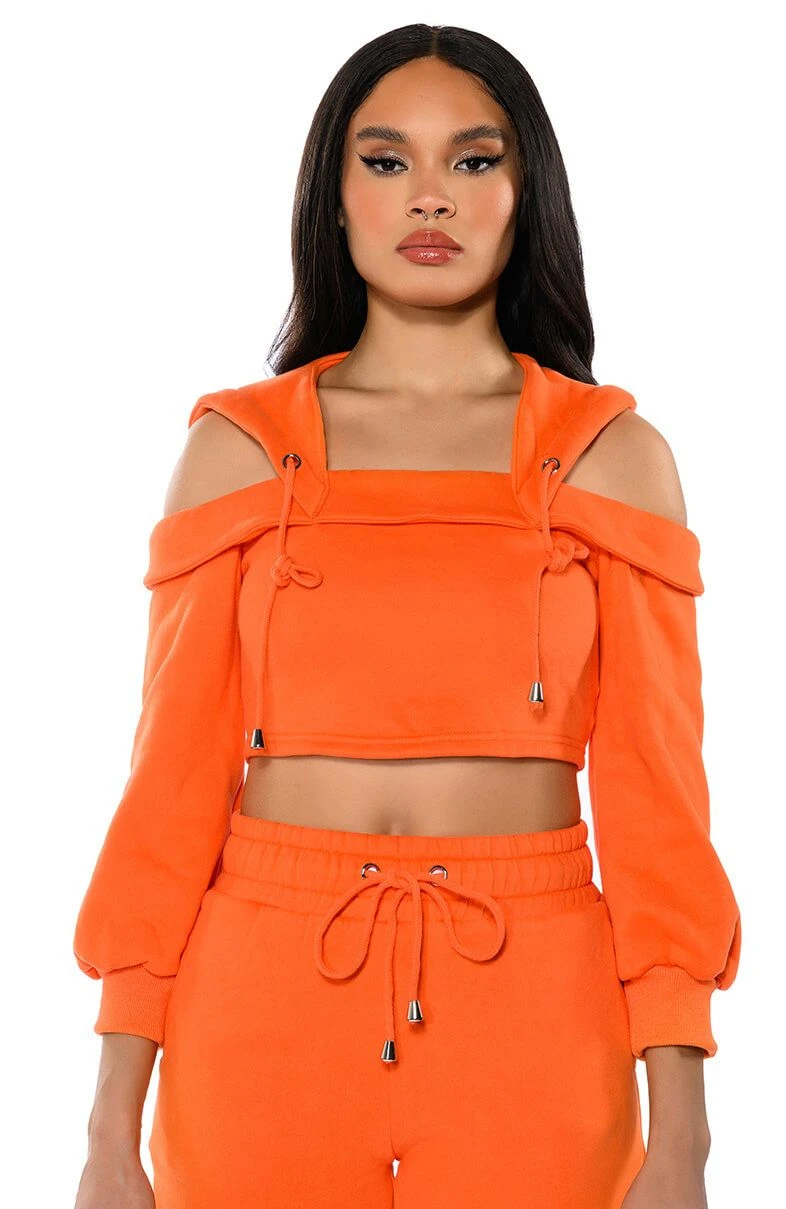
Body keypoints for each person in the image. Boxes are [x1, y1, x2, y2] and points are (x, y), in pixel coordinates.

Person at [72, 24, 741, 1209]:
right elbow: (169, 792)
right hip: (259, 1011)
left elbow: (656, 807)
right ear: (331, 199)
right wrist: (107, 1134)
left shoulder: (609, 456)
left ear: (526, 194)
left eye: (473, 160)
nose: (430, 195)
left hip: (536, 1013)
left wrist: (681, 1139)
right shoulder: (239, 452)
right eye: (385, 162)